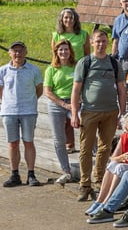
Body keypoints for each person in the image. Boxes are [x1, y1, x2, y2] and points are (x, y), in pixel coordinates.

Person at [71, 30, 128, 200]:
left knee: (105, 148)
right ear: (92, 42)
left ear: (107, 42)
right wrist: (74, 113)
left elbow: (121, 89)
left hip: (111, 111)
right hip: (89, 111)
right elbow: (76, 89)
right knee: (86, 149)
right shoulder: (85, 62)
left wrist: (123, 113)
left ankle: (100, 181)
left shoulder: (114, 63)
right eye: (98, 41)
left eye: (103, 41)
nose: (101, 44)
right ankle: (84, 184)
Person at [83, 110, 128, 217]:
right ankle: (99, 200)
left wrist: (122, 160)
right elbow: (113, 158)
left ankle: (107, 202)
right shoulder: (124, 137)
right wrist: (122, 157)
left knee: (120, 167)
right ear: (125, 124)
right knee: (112, 165)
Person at [1, 42, 43, 187]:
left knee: (28, 142)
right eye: (15, 51)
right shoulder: (3, 71)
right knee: (13, 143)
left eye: (20, 50)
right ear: (9, 53)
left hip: (28, 111)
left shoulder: (34, 70)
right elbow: (1, 91)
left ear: (26, 52)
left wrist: (29, 101)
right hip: (9, 111)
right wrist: (8, 103)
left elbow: (39, 90)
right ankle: (15, 174)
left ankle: (31, 174)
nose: (17, 54)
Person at [44, 40, 79, 184]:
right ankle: (66, 171)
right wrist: (63, 104)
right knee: (59, 139)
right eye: (61, 50)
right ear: (56, 52)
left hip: (74, 102)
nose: (63, 52)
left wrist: (74, 103)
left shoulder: (76, 66)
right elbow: (47, 91)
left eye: (66, 49)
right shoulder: (51, 69)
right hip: (56, 104)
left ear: (70, 51)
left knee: (86, 126)